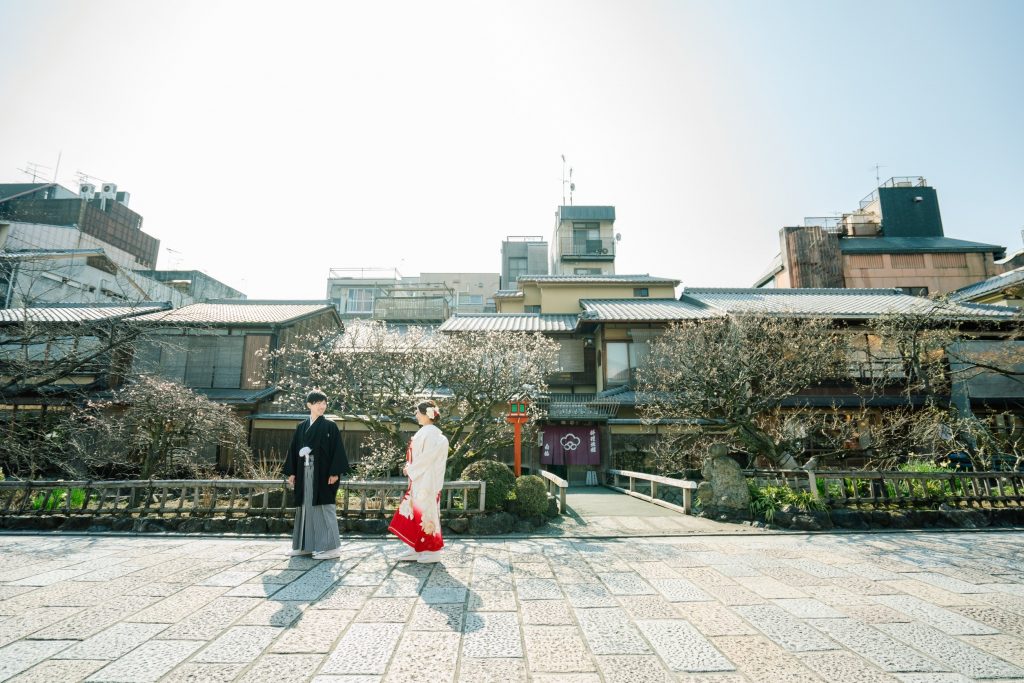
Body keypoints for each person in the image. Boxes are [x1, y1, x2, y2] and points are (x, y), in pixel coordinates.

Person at [284, 389, 349, 560]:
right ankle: (305, 545)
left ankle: (331, 547)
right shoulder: (301, 427)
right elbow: (293, 449)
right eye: (318, 403)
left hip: (323, 473)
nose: (322, 406)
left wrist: (335, 472)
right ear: (309, 405)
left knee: (323, 506)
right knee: (305, 506)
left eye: (324, 403)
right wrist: (291, 472)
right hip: (303, 470)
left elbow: (337, 450)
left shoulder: (330, 426)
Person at [388, 399, 448, 563]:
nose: (416, 415)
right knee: (414, 513)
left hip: (426, 480)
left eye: (417, 412)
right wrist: (411, 466)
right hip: (421, 479)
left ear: (425, 415)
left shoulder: (431, 434)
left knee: (426, 514)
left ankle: (432, 550)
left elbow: (426, 458)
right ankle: (414, 547)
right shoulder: (429, 433)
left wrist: (410, 469)